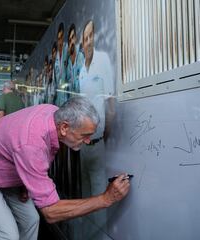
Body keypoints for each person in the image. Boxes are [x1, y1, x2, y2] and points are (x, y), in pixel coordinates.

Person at [0, 96, 130, 240]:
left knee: (31, 220)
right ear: (64, 128)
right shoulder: (32, 144)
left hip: (6, 170)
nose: (87, 141)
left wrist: (26, 182)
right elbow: (51, 212)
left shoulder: (54, 113)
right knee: (7, 235)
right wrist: (106, 199)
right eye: (85, 135)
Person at [78, 20, 116, 235]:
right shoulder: (82, 68)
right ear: (82, 43)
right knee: (85, 192)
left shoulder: (102, 60)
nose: (88, 41)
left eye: (91, 36)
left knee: (99, 193)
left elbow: (110, 102)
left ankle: (99, 235)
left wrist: (105, 133)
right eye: (86, 38)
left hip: (97, 140)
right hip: (81, 143)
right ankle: (86, 233)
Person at [66, 23, 84, 94]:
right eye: (70, 40)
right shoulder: (68, 65)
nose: (72, 42)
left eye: (73, 37)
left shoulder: (81, 57)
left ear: (76, 38)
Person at [54, 22, 68, 106]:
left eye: (61, 37)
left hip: (67, 96)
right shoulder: (55, 57)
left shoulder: (67, 50)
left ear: (63, 38)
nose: (60, 41)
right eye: (58, 38)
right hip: (59, 97)